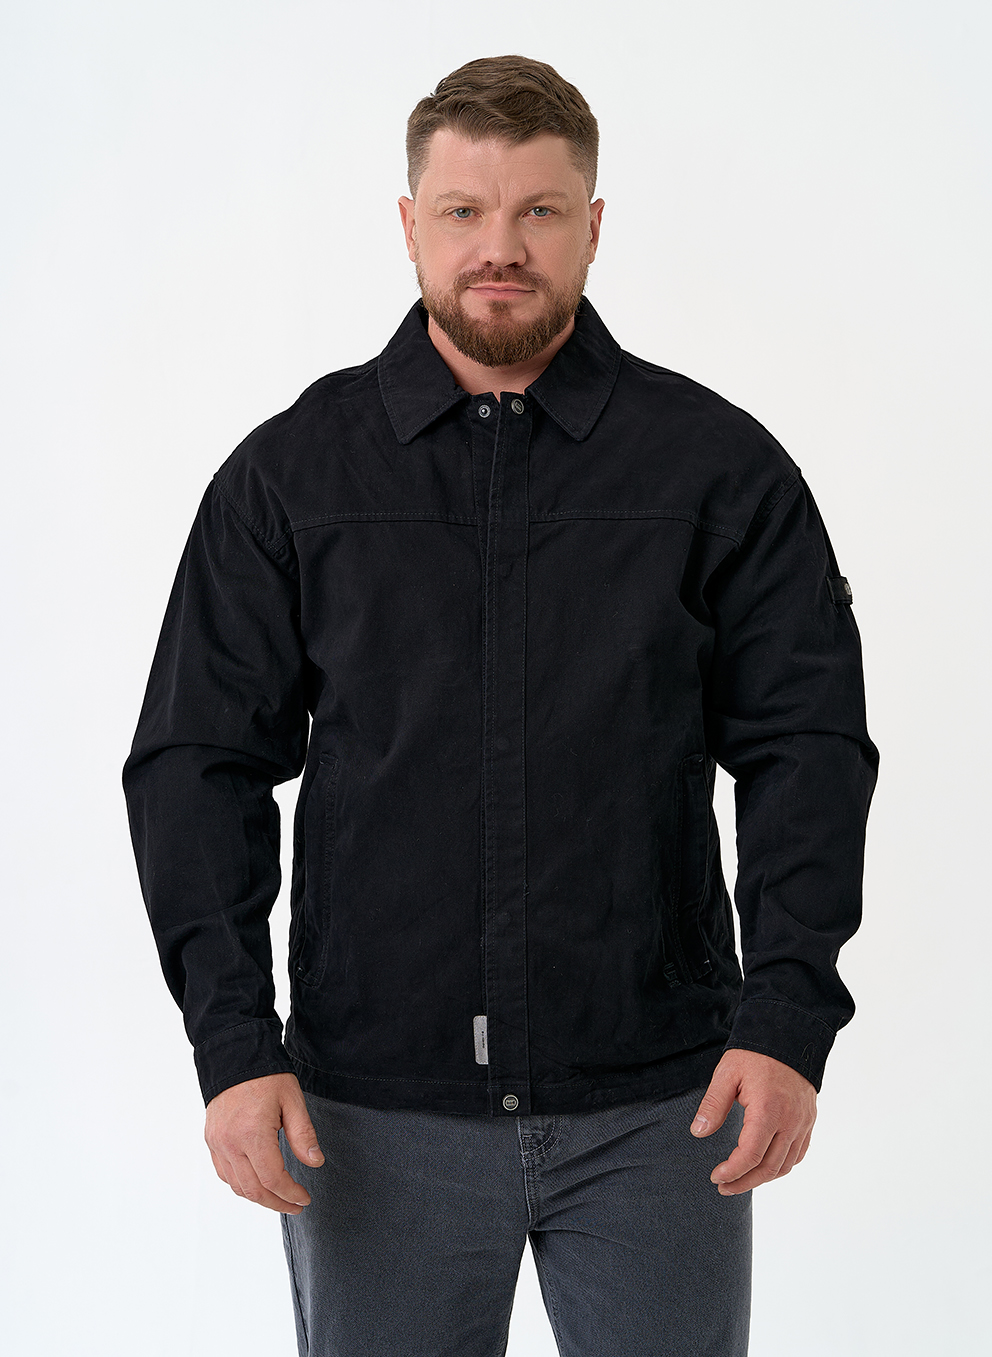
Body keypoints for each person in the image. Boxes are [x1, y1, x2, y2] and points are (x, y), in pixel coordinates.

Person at [123, 54, 878, 1357]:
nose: (501, 249)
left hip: (663, 1103)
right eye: (464, 211)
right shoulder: (292, 478)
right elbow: (196, 763)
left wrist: (789, 1017)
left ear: (593, 225)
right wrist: (232, 1044)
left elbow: (807, 747)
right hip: (376, 1110)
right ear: (409, 224)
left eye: (539, 210)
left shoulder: (717, 470)